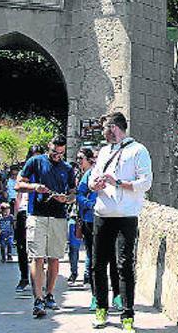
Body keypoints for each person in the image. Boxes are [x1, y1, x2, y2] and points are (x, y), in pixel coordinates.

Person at [90, 112, 152, 332]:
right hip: (103, 214)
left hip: (126, 215)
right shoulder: (104, 151)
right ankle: (101, 309)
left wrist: (119, 183)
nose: (103, 133)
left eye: (105, 129)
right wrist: (94, 184)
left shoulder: (138, 150)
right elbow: (91, 177)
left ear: (114, 128)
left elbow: (146, 182)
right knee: (97, 265)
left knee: (124, 265)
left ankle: (127, 315)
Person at [16, 136, 76, 318]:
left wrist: (65, 199)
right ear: (49, 147)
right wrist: (35, 187)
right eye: (54, 152)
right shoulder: (35, 162)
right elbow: (19, 185)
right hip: (37, 216)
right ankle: (38, 299)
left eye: (61, 153)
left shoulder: (67, 168)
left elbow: (73, 194)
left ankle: (50, 294)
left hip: (58, 216)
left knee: (54, 258)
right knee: (37, 257)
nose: (57, 156)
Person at [75, 146, 121, 311]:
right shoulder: (90, 174)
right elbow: (79, 194)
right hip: (91, 220)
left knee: (115, 260)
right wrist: (91, 205)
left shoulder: (117, 174)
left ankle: (117, 295)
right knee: (95, 261)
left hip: (113, 219)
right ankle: (96, 297)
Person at [13, 145, 45, 294]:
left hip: (38, 211)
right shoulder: (23, 173)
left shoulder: (45, 172)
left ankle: (38, 279)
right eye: (33, 155)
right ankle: (24, 277)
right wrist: (15, 216)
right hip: (23, 211)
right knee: (21, 247)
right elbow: (18, 195)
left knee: (37, 249)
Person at [66, 216, 82, 284]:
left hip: (79, 219)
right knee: (73, 249)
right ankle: (74, 272)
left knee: (74, 249)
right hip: (72, 220)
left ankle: (87, 275)